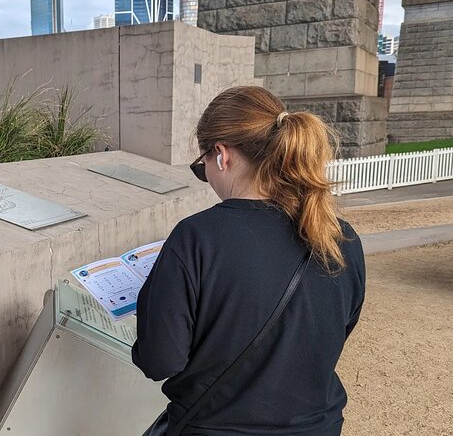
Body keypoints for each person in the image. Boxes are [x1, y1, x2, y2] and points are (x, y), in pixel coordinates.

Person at [132, 86, 366, 436]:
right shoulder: (339, 237)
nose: (207, 175)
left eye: (203, 165)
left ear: (222, 155)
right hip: (319, 427)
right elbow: (334, 330)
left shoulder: (196, 237)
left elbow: (160, 360)